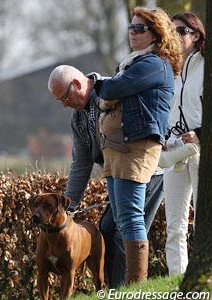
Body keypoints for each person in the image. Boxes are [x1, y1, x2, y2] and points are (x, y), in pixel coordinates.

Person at [48, 65, 164, 288]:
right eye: (59, 101)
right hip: (118, 175)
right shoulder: (78, 119)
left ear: (78, 84)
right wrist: (68, 206)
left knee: (122, 231)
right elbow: (81, 163)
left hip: (145, 171)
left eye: (64, 97)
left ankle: (127, 291)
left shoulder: (115, 89)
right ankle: (115, 290)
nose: (64, 104)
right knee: (108, 230)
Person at [96, 7, 182, 284]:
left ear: (156, 34)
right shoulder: (134, 63)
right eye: (131, 27)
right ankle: (128, 287)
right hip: (118, 148)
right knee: (122, 218)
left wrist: (104, 89)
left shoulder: (152, 64)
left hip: (135, 148)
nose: (133, 32)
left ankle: (137, 286)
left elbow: (109, 91)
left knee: (131, 217)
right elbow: (110, 94)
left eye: (140, 28)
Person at [162, 12, 205, 275]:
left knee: (204, 219)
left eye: (180, 31)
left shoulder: (207, 65)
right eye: (171, 31)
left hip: (201, 148)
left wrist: (200, 132)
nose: (174, 36)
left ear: (195, 34)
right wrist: (165, 137)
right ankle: (177, 279)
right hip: (175, 149)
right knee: (174, 224)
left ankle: (203, 273)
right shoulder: (168, 68)